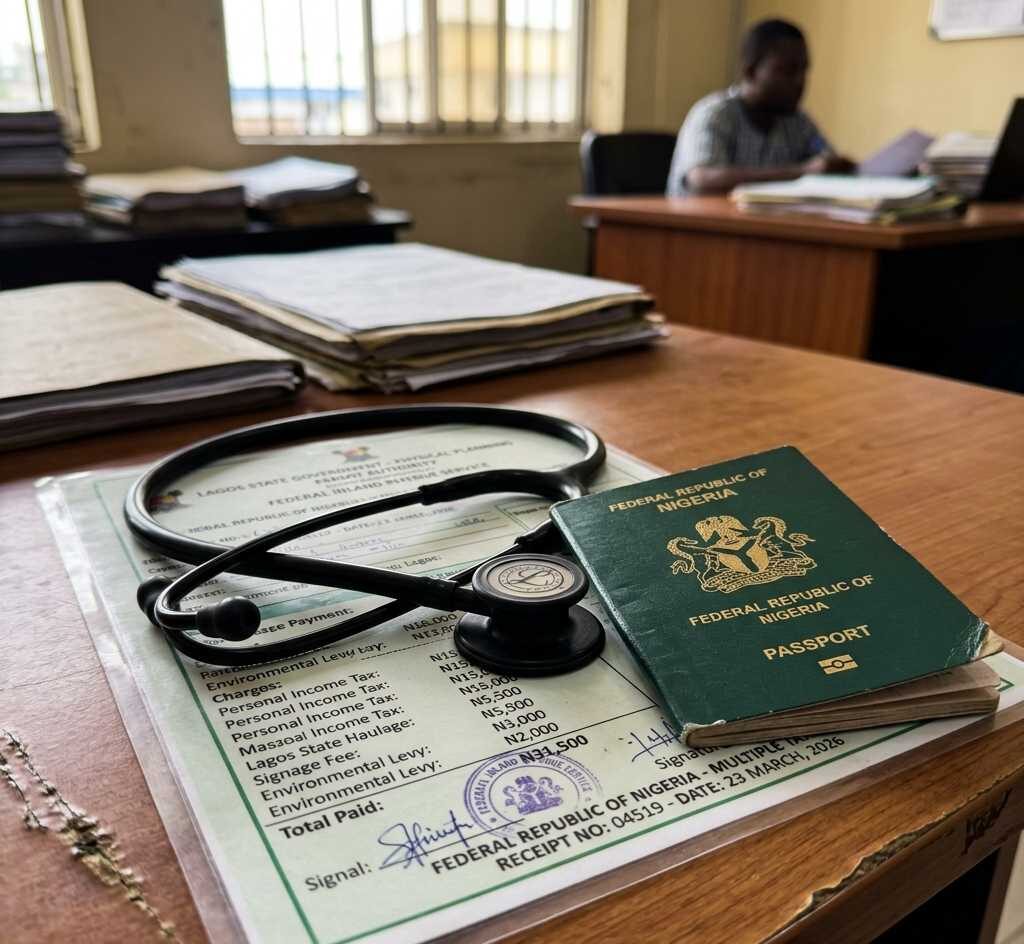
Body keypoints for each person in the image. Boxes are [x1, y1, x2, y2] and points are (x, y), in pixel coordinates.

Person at [666, 19, 856, 196]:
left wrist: (838, 167)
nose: (800, 81)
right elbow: (702, 181)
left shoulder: (799, 123)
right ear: (750, 72)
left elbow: (827, 163)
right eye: (788, 71)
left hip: (760, 228)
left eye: (804, 70)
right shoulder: (715, 114)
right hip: (697, 229)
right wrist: (801, 172)